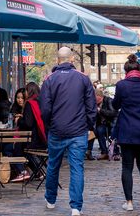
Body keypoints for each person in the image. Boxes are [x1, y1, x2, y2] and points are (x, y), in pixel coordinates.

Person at [40, 47, 96, 216]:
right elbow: (91, 107)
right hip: (78, 131)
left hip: (57, 130)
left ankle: (50, 199)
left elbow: (45, 109)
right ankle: (76, 207)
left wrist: (50, 125)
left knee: (53, 165)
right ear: (72, 59)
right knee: (77, 168)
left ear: (58, 60)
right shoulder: (83, 79)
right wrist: (89, 125)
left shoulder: (49, 80)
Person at [112, 54, 140, 212]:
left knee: (127, 167)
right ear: (139, 70)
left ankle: (129, 202)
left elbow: (115, 105)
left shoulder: (122, 85)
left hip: (127, 131)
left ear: (126, 71)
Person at [12, 82, 47, 183]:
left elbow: (28, 123)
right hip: (41, 139)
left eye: (26, 90)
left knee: (16, 147)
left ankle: (22, 171)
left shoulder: (29, 103)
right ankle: (39, 172)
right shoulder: (40, 101)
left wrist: (18, 120)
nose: (25, 93)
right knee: (23, 150)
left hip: (32, 140)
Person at [90, 89, 117, 161]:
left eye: (95, 98)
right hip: (102, 123)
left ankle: (115, 152)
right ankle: (104, 152)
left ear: (100, 96)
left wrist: (100, 110)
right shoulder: (94, 103)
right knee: (97, 131)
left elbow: (113, 113)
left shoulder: (109, 100)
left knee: (112, 133)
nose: (94, 100)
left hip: (111, 122)